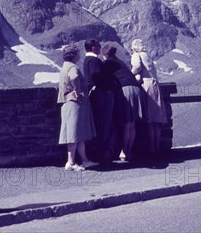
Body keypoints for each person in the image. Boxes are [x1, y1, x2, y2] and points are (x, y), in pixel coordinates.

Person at [57, 43, 96, 171]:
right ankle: (71, 162)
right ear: (74, 55)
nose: (80, 54)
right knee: (73, 134)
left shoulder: (65, 66)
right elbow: (74, 77)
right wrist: (77, 90)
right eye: (78, 53)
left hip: (67, 103)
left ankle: (84, 160)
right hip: (74, 104)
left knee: (78, 134)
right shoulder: (73, 67)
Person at [101, 44, 143, 162]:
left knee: (126, 123)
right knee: (132, 123)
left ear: (104, 55)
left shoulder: (107, 63)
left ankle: (124, 151)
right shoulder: (121, 62)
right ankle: (129, 151)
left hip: (125, 90)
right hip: (136, 89)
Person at [130, 39, 167, 155]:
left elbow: (136, 67)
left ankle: (152, 149)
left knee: (150, 120)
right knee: (156, 120)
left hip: (146, 85)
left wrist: (130, 74)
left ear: (134, 48)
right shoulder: (147, 55)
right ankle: (158, 146)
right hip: (155, 85)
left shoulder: (137, 55)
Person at [83, 38, 115, 163]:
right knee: (104, 123)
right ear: (93, 47)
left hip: (94, 94)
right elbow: (97, 77)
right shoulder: (94, 60)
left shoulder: (87, 60)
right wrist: (107, 89)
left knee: (97, 122)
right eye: (98, 45)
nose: (100, 47)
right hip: (101, 94)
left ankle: (97, 152)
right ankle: (101, 153)